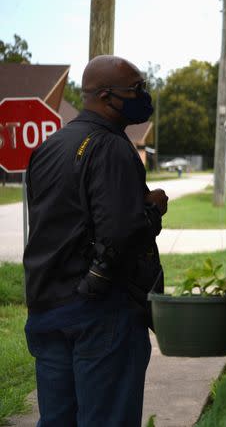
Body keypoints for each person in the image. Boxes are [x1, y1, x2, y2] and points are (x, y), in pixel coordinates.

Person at [23, 55, 167, 426]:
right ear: (106, 96)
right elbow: (120, 233)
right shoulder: (110, 147)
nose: (143, 96)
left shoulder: (48, 148)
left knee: (58, 420)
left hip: (47, 308)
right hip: (101, 314)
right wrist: (152, 211)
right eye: (136, 89)